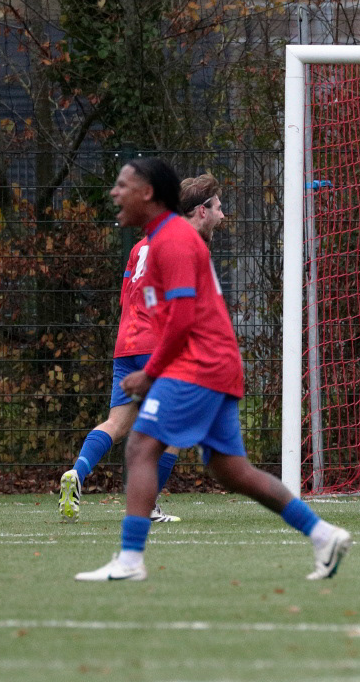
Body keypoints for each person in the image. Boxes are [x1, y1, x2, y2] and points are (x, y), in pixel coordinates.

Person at [76, 158, 350, 581]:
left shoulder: (173, 240)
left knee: (140, 447)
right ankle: (322, 534)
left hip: (199, 364)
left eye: (122, 185)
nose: (114, 192)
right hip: (213, 363)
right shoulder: (161, 240)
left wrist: (150, 372)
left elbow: (183, 319)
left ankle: (129, 560)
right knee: (232, 471)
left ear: (147, 193)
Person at [57, 173, 227, 524]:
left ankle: (77, 472)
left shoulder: (141, 245)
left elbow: (128, 297)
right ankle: (147, 506)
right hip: (159, 345)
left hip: (127, 342)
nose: (223, 216)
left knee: (117, 422)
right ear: (201, 211)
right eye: (218, 208)